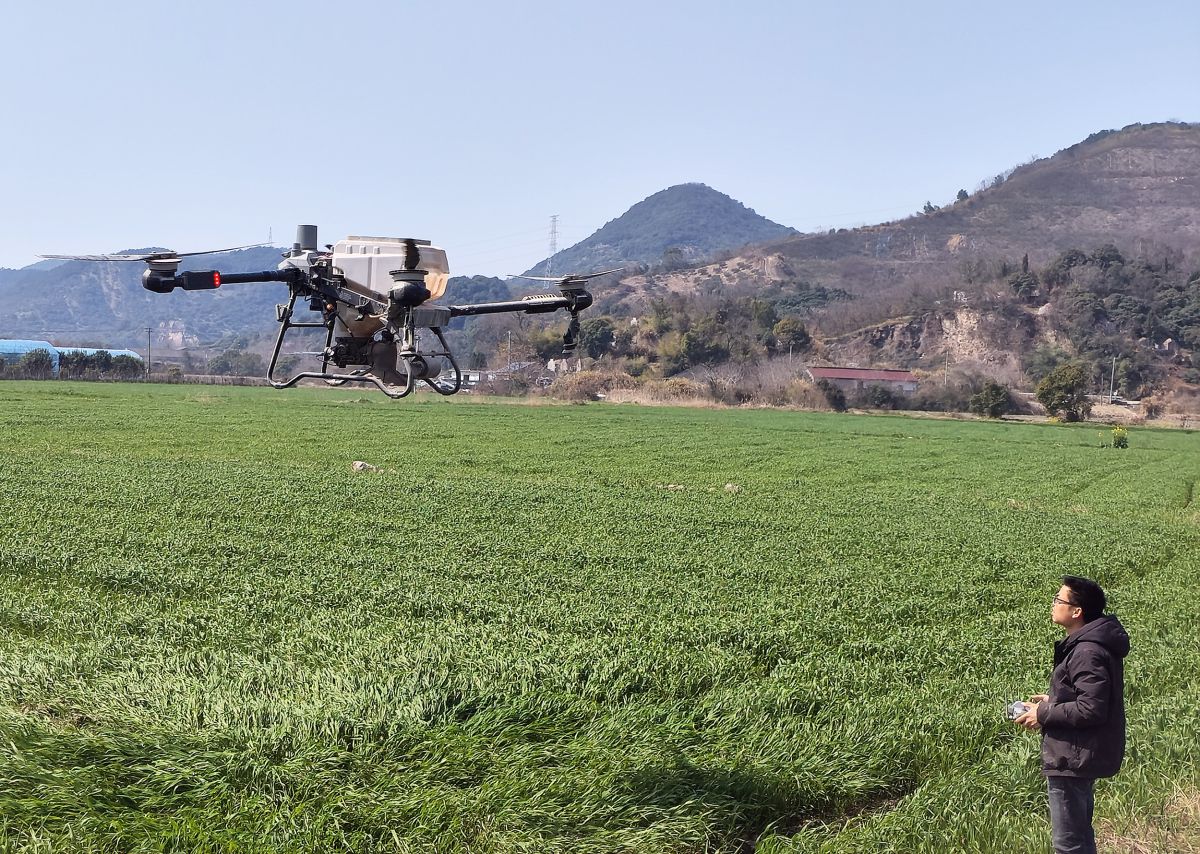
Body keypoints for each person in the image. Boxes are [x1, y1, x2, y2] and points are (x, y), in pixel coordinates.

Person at [1015, 576, 1130, 854]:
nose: (1053, 604)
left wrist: (1044, 713)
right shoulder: (1088, 644)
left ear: (1077, 611)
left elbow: (1091, 709)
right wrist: (1054, 701)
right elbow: (1087, 699)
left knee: (1069, 845)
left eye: (1059, 599)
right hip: (1077, 754)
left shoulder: (1086, 651)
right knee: (1079, 838)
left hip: (1072, 758)